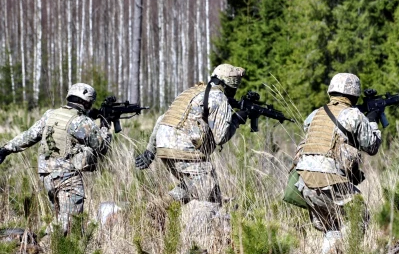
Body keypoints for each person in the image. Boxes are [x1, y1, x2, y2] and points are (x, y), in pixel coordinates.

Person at [0, 83, 111, 235]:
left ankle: (45, 249)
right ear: (86, 102)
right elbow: (102, 147)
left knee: (60, 219)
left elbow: (29, 135)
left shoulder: (50, 115)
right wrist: (105, 127)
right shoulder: (82, 122)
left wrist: (6, 148)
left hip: (46, 176)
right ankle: (36, 245)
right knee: (71, 225)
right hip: (67, 177)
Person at [292, 73, 381, 254]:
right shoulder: (354, 115)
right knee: (359, 215)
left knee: (334, 226)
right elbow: (372, 146)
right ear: (354, 94)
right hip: (329, 183)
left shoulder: (315, 114)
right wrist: (372, 120)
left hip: (304, 184)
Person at [135, 64, 248, 205]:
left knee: (192, 184)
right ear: (231, 86)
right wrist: (236, 119)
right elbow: (221, 137)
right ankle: (159, 208)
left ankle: (161, 207)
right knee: (209, 191)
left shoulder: (193, 92)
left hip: (163, 146)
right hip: (185, 149)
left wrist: (149, 151)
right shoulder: (219, 97)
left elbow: (162, 118)